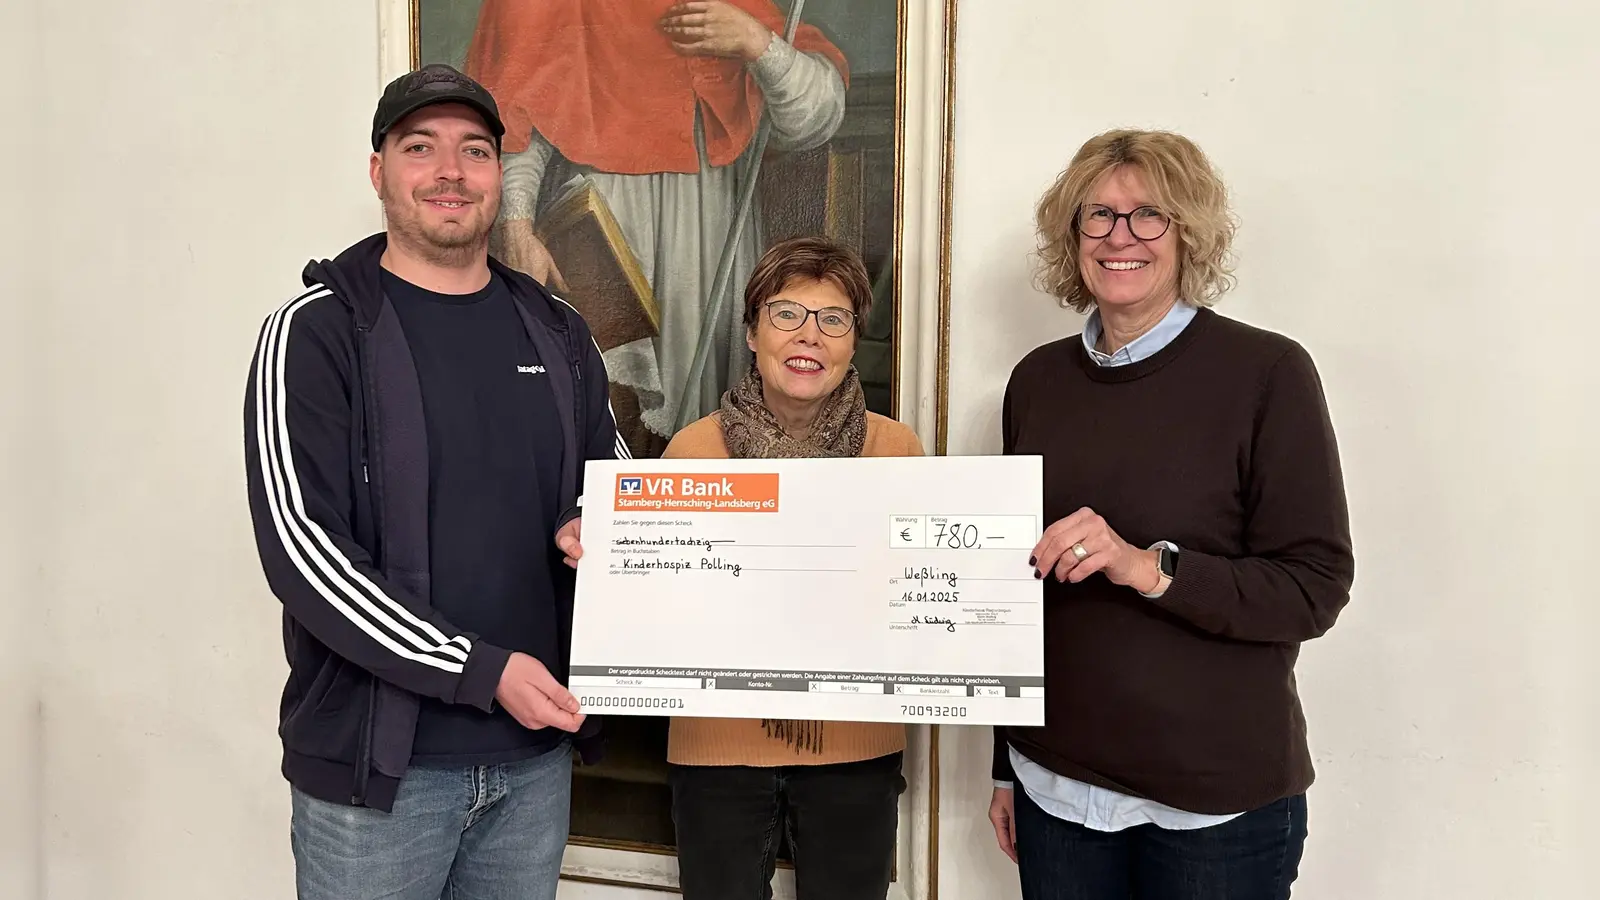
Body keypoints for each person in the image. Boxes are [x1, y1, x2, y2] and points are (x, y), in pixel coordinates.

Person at [242, 63, 625, 900]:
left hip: (532, 765)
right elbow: (305, 552)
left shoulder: (560, 332)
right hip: (379, 779)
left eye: (475, 150)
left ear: (497, 175)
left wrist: (595, 527)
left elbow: (618, 490)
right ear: (379, 171)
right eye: (421, 147)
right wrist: (480, 671)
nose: (450, 170)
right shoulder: (315, 333)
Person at [988, 129, 1356, 900]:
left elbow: (1313, 587)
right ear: (1073, 236)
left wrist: (1149, 568)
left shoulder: (1268, 374)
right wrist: (1004, 766)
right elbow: (1011, 594)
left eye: (1148, 214)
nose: (1121, 237)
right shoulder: (1036, 382)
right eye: (1099, 216)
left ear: (1188, 233)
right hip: (1055, 791)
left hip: (1212, 811)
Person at [559, 236, 916, 900]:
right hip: (717, 750)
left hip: (855, 750)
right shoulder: (691, 449)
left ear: (851, 340)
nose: (809, 335)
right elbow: (660, 605)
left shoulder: (897, 449)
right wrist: (614, 567)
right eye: (786, 314)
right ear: (753, 333)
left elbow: (916, 603)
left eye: (832, 319)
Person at [463, 0, 850, 455]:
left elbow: (816, 118)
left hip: (710, 224)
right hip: (606, 223)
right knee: (601, 406)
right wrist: (515, 222)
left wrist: (755, 42)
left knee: (709, 416)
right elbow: (515, 118)